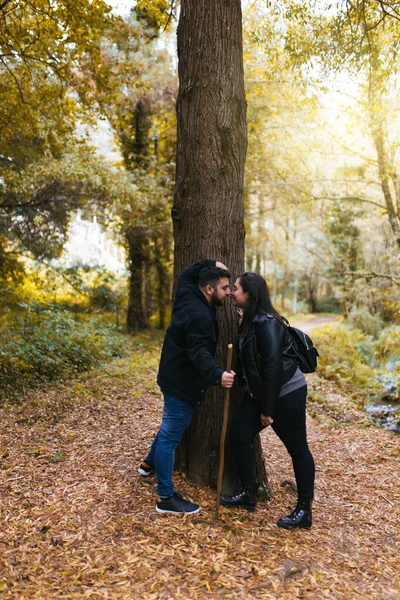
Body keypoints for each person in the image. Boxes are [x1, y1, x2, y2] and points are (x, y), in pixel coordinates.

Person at [138, 259, 235, 515]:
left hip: (170, 373)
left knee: (170, 426)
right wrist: (218, 375)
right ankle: (166, 498)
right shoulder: (200, 315)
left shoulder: (187, 291)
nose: (229, 293)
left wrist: (212, 263)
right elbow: (198, 354)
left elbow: (186, 274)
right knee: (171, 434)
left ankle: (149, 464)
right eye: (225, 287)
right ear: (210, 289)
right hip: (181, 381)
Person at [220, 272, 315, 529]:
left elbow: (272, 367)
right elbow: (251, 361)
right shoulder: (251, 322)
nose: (231, 292)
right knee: (239, 435)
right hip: (262, 394)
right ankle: (249, 494)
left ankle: (304, 511)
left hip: (286, 392)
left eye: (235, 288)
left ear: (248, 293)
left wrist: (267, 410)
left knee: (298, 449)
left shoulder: (267, 323)